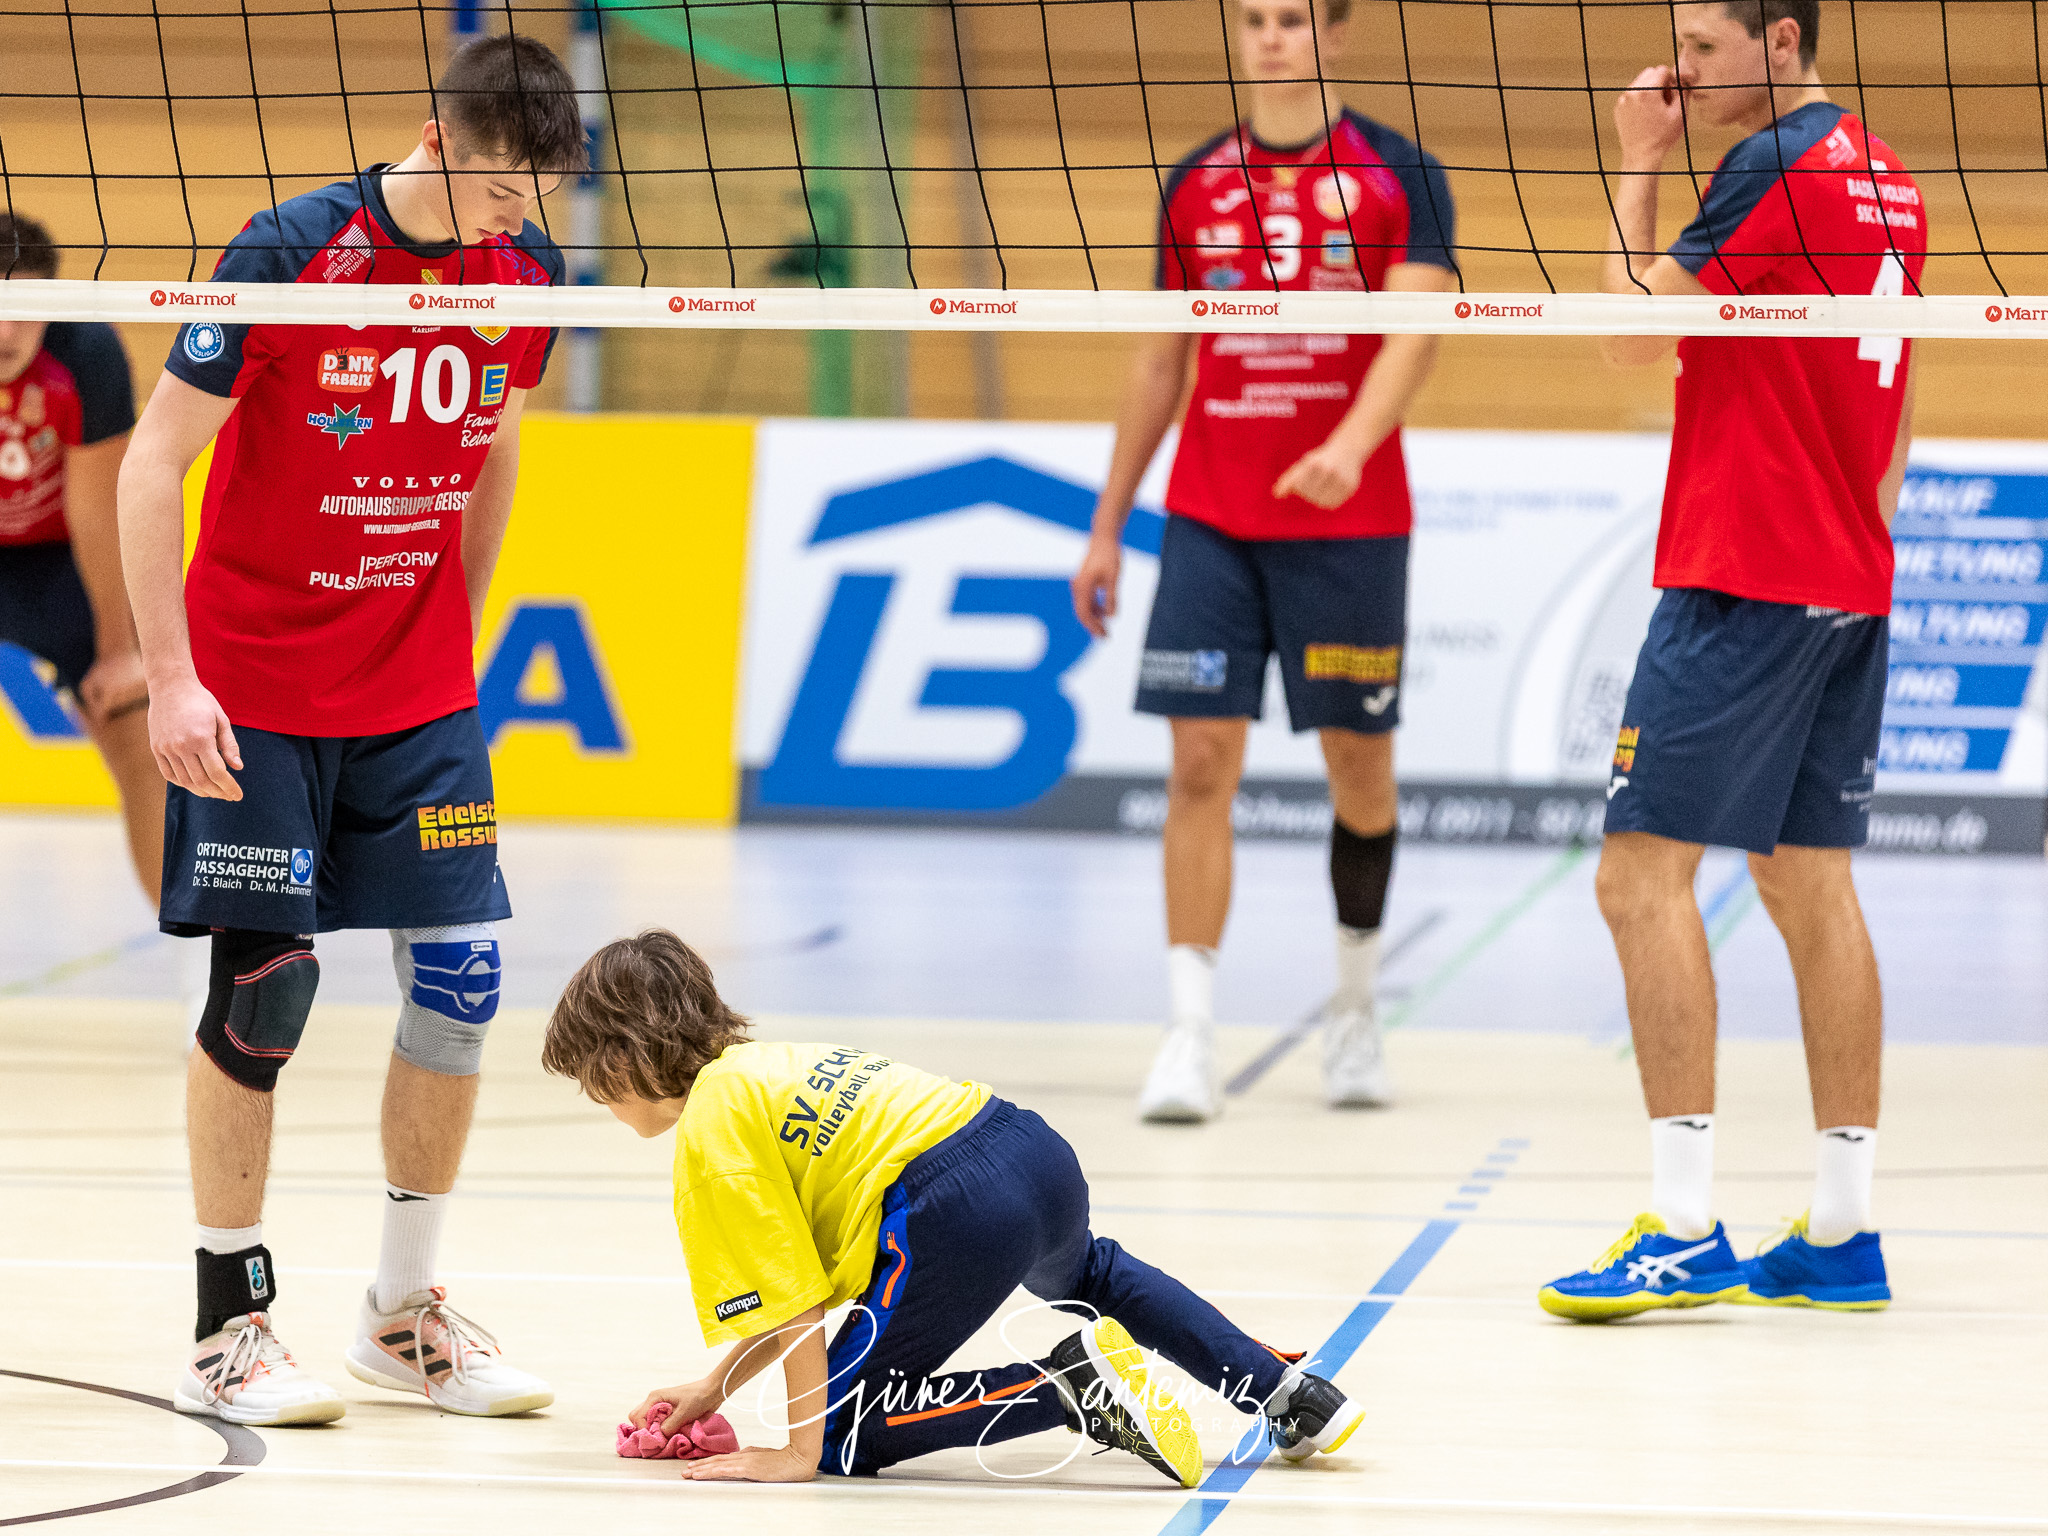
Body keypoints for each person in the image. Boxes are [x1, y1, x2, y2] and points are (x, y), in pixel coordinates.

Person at [117, 34, 587, 1422]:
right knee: (268, 995)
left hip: (416, 693)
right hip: (254, 689)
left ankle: (401, 1316)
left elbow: (493, 442)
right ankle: (229, 1324)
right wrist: (171, 676)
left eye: (541, 190)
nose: (521, 214)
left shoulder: (525, 278)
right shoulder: (289, 249)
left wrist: (460, 634)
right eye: (506, 185)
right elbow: (154, 464)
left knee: (461, 989)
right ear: (440, 142)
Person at [1539, 0, 1924, 1321]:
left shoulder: (1770, 165)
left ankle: (1685, 1225)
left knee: (1638, 876)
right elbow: (1905, 394)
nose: (1678, 72)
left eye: (1702, 51)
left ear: (1781, 39)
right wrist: (1859, 536)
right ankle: (1843, 1231)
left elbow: (1630, 335)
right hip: (1846, 572)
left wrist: (1637, 159)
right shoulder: (1888, 173)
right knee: (1811, 885)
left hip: (1745, 567)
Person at [542, 928, 1366, 1484]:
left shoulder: (711, 1133)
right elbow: (804, 1284)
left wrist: (800, 1449)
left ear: (625, 1060)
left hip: (953, 1208)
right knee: (1095, 1274)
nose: (594, 1097)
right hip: (1029, 1152)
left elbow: (793, 1305)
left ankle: (1067, 1385)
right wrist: (714, 1387)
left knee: (847, 1429)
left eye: (590, 1078)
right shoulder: (762, 1064)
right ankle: (1291, 1396)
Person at [1071, 0, 1458, 1124]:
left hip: (1347, 518)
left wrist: (1346, 445)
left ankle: (1351, 1007)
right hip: (1211, 517)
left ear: (1333, 35)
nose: (1271, 38)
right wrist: (1107, 523)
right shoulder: (1195, 179)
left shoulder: (1399, 172)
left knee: (1357, 769)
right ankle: (1187, 1032)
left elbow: (1415, 330)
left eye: (1292, 19)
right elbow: (1159, 360)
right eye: (1254, 20)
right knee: (1196, 768)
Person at [0, 213, 162, 900]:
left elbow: (99, 512)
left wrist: (118, 649)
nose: (7, 333)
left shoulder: (87, 352)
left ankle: (197, 967)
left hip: (59, 561)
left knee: (138, 729)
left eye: (25, 311)